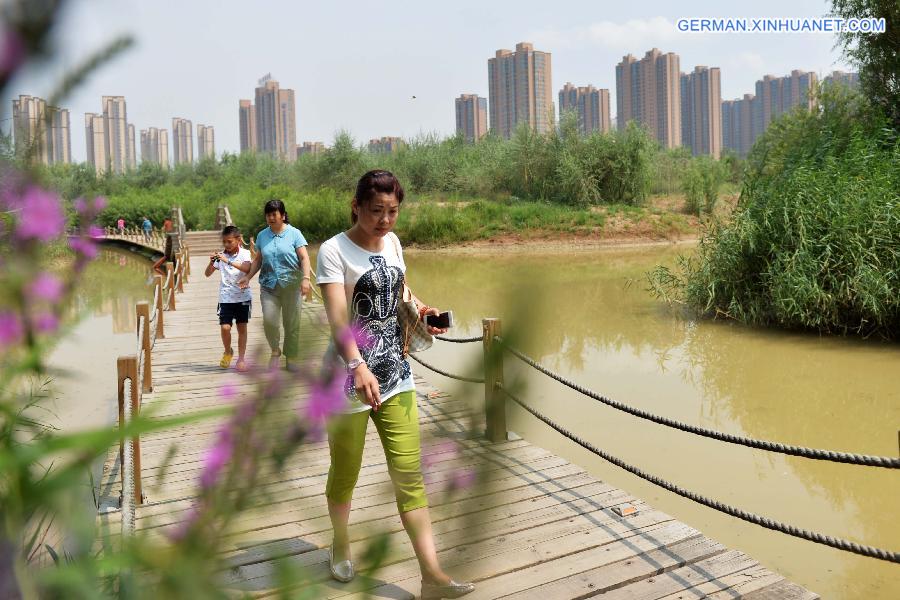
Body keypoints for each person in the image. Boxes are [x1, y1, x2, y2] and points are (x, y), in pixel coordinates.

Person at [316, 170, 474, 599]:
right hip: (347, 380)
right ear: (356, 206)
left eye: (392, 212)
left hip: (396, 375)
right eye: (375, 212)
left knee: (410, 476)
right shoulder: (333, 251)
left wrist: (421, 310)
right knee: (345, 472)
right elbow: (337, 320)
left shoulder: (393, 243)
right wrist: (356, 366)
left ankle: (431, 576)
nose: (384, 221)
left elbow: (400, 290)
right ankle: (341, 541)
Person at [239, 200, 312, 370]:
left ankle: (291, 357)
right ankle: (275, 350)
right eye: (268, 215)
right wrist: (248, 277)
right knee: (270, 321)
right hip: (268, 286)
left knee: (292, 323)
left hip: (292, 285)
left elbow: (304, 258)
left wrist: (306, 278)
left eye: (274, 214)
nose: (271, 218)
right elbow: (258, 260)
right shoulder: (262, 235)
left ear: (283, 215)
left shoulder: (295, 234)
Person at [205, 225, 252, 371]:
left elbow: (247, 269)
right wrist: (212, 262)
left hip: (243, 296)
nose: (226, 245)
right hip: (226, 298)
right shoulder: (221, 256)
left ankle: (242, 359)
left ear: (238, 240)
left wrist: (228, 261)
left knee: (241, 328)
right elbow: (207, 274)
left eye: (229, 241)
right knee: (225, 328)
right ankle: (227, 351)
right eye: (224, 242)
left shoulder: (245, 253)